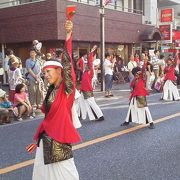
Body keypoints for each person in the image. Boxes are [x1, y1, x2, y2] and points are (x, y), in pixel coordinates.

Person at [32, 20, 81, 180]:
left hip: (59, 139)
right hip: (45, 138)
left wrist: (68, 35)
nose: (45, 75)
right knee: (43, 174)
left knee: (66, 174)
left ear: (59, 71)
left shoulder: (66, 90)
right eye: (44, 73)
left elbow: (67, 65)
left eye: (48, 72)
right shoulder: (52, 90)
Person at [77, 45, 104, 121]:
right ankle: (80, 115)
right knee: (80, 102)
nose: (85, 65)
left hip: (87, 90)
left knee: (92, 103)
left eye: (86, 65)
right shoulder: (85, 72)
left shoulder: (90, 72)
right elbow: (82, 63)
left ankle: (100, 116)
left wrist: (92, 51)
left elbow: (90, 61)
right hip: (83, 90)